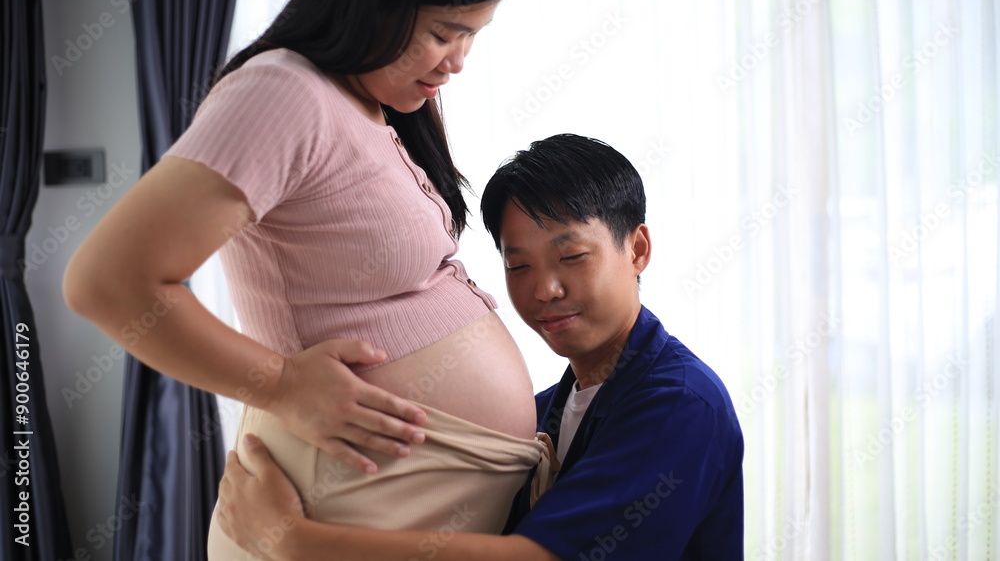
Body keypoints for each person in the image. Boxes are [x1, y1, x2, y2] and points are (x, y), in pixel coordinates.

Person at [62, 0, 547, 558]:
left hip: (393, 497)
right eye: (444, 32)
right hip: (341, 495)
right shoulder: (283, 92)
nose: (458, 59)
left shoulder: (380, 103)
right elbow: (106, 282)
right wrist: (284, 386)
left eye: (473, 35)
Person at [215, 134, 746, 560]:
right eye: (519, 266)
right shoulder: (551, 410)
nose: (545, 289)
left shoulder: (679, 405)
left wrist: (291, 542)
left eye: (571, 257)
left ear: (638, 249)